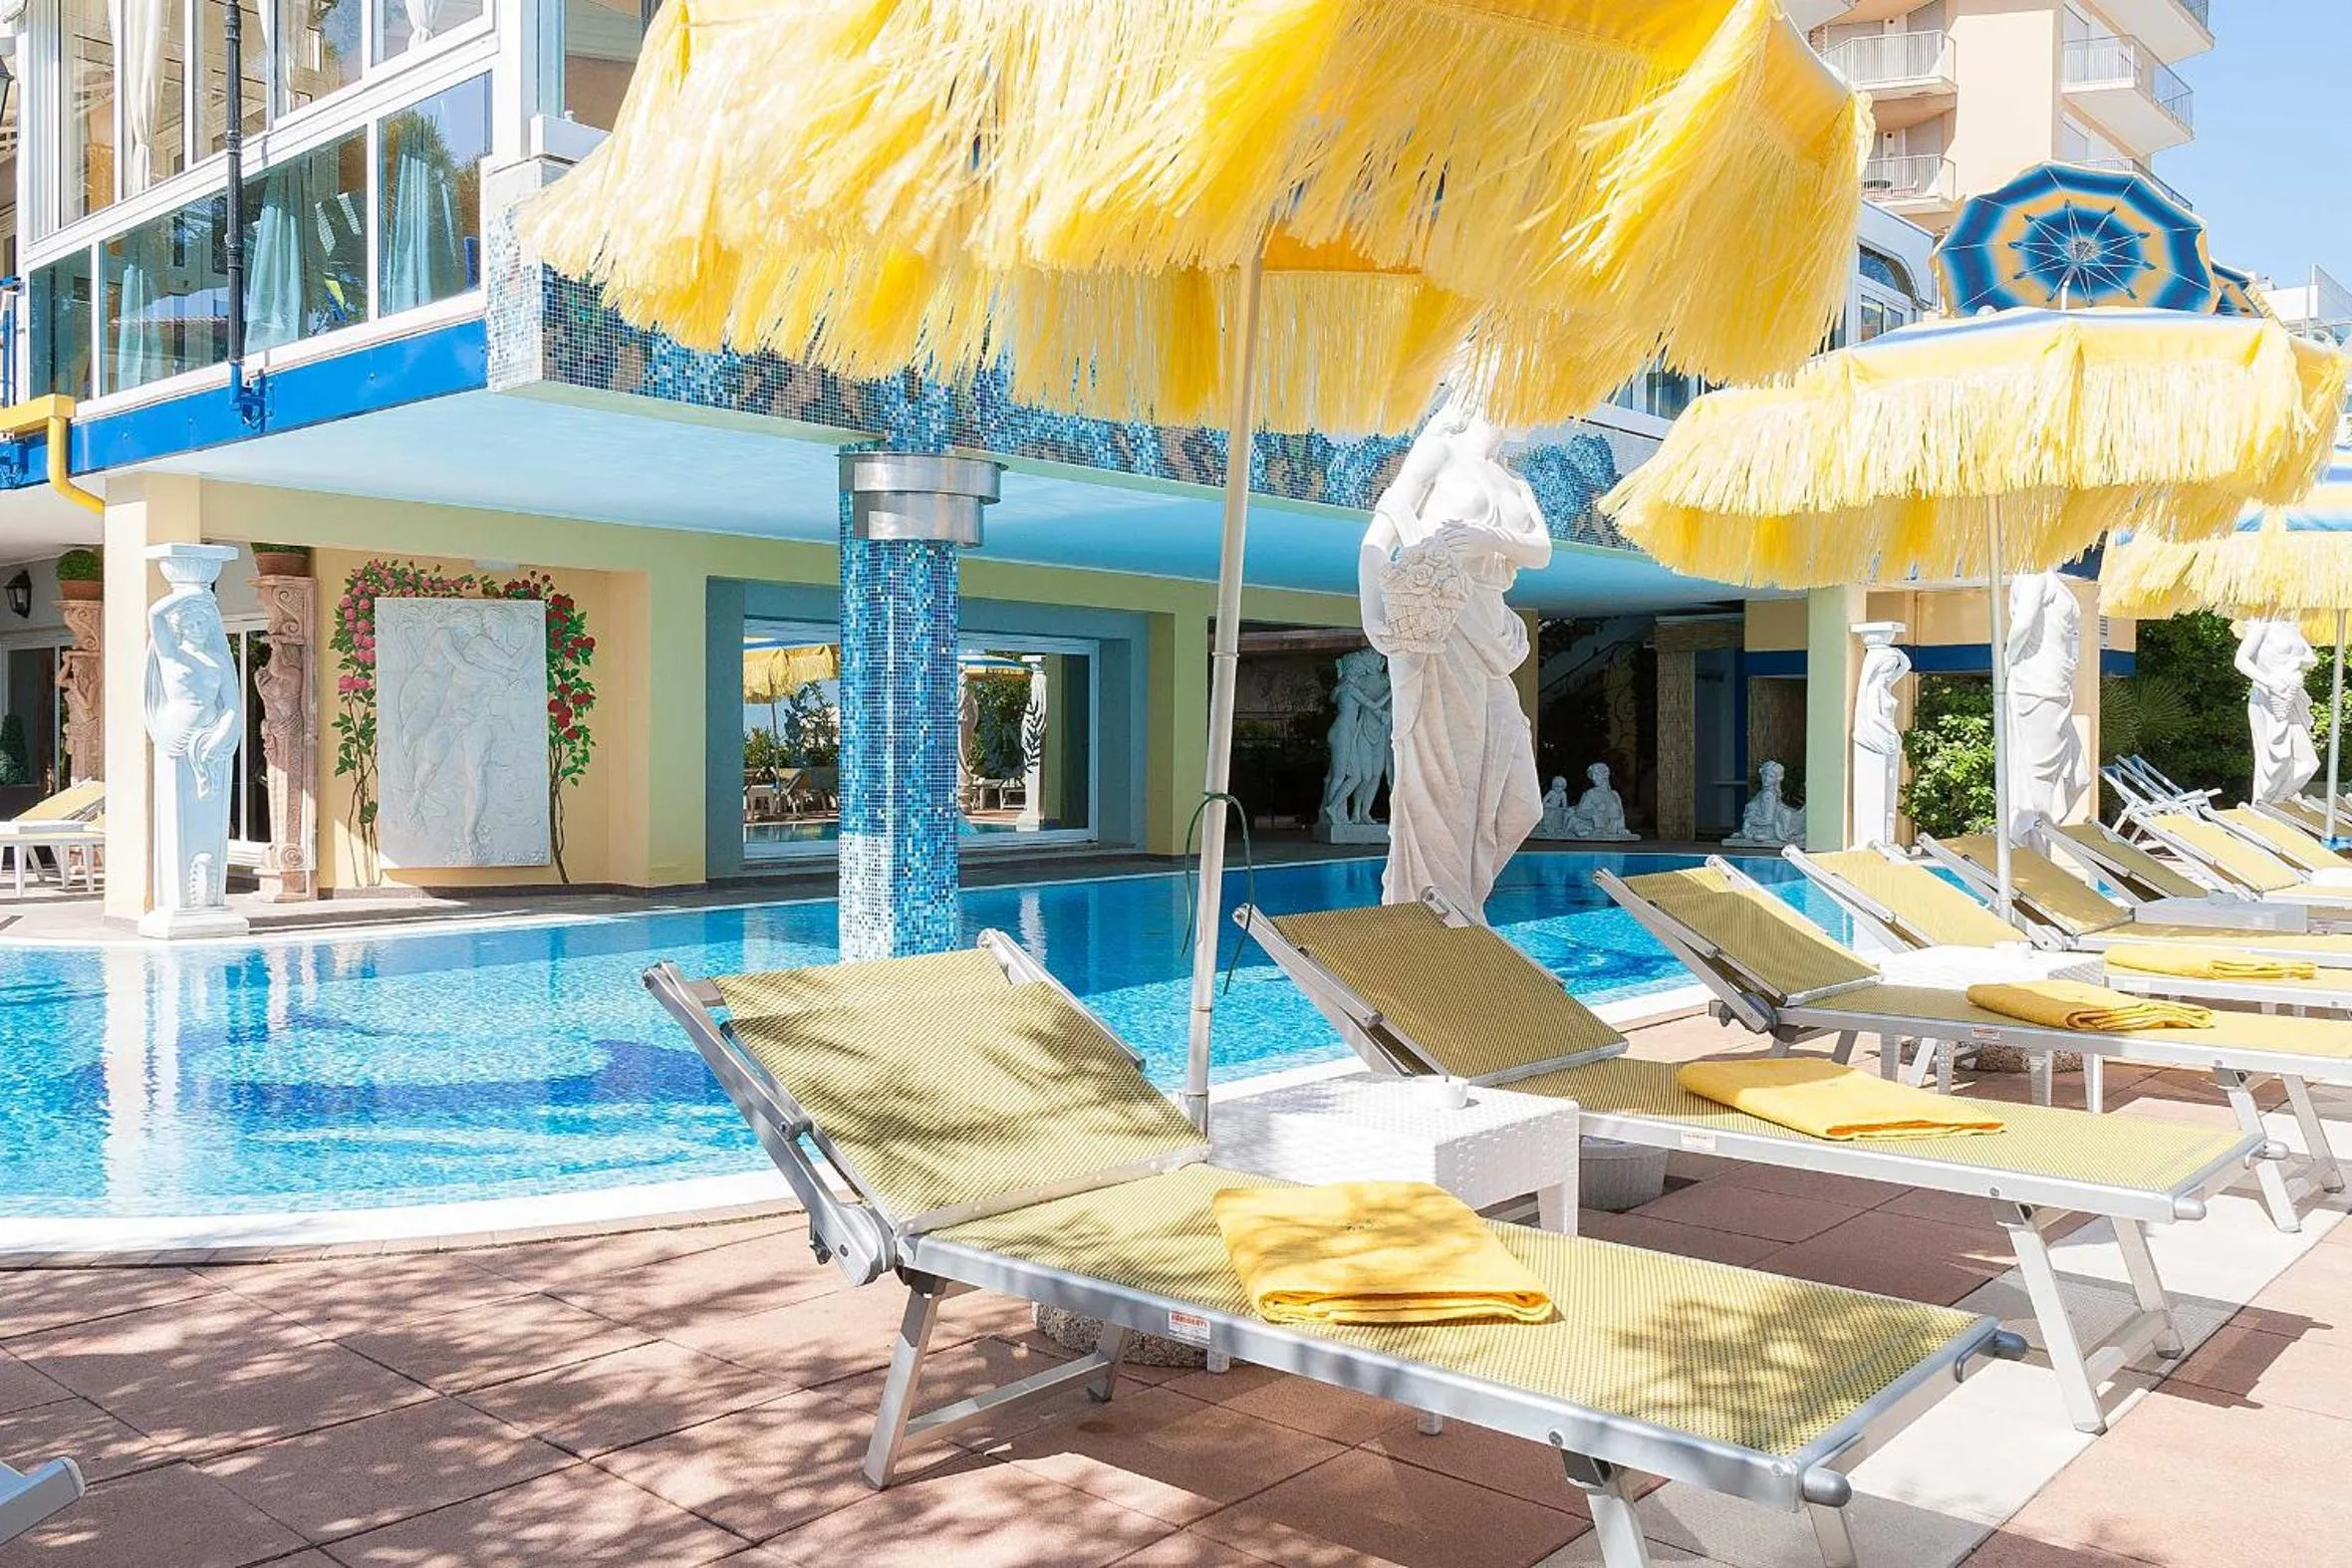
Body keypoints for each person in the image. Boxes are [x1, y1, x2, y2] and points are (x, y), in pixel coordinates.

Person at [1360, 399, 1550, 915]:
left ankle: (1461, 906)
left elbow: (1541, 549)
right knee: (1441, 790)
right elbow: (1378, 539)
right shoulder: (1438, 450)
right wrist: (1376, 620)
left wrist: (1490, 537)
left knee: (1519, 803)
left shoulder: (1516, 484)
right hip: (1438, 631)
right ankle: (1440, 918)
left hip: (1490, 632)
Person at [143, 592, 242, 911]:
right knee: (178, 806)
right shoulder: (171, 654)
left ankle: (206, 899)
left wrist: (221, 734)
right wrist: (191, 592)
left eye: (204, 621)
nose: (200, 627)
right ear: (181, 627)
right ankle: (179, 901)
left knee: (207, 806)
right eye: (193, 621)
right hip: (176, 735)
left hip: (211, 739)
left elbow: (231, 705)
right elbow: (155, 616)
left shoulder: (217, 662)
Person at [2003, 572, 2086, 837]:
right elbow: (2023, 624)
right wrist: (2005, 662)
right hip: (2036, 684)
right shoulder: (2031, 573)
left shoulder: (2051, 578)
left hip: (2056, 683)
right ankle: (2030, 855)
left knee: (2079, 774)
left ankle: (2035, 846)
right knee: (2038, 781)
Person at [2238, 618, 2321, 804]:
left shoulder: (2292, 626)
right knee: (2276, 759)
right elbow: (2241, 660)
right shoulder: (2262, 625)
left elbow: (2310, 658)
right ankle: (2265, 803)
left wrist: (2295, 666)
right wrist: (2269, 681)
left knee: (2307, 761)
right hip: (2269, 699)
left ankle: (2280, 801)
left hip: (2290, 697)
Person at [1727, 759, 1805, 847]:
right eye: (1765, 775)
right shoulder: (1769, 792)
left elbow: (1767, 819)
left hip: (1768, 826)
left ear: (1776, 779)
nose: (1766, 779)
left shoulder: (1768, 794)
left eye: (1771, 776)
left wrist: (1749, 820)